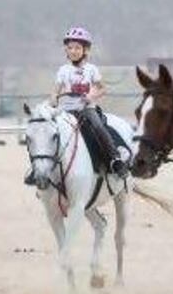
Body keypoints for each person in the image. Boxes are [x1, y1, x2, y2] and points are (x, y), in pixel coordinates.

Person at [25, 26, 128, 185]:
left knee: (98, 126)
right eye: (70, 48)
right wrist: (52, 100)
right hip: (65, 111)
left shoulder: (91, 70)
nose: (73, 51)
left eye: (77, 48)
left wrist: (90, 96)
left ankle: (114, 159)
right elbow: (55, 91)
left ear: (85, 50)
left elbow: (102, 88)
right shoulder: (63, 71)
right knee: (45, 132)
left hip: (86, 110)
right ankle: (37, 169)